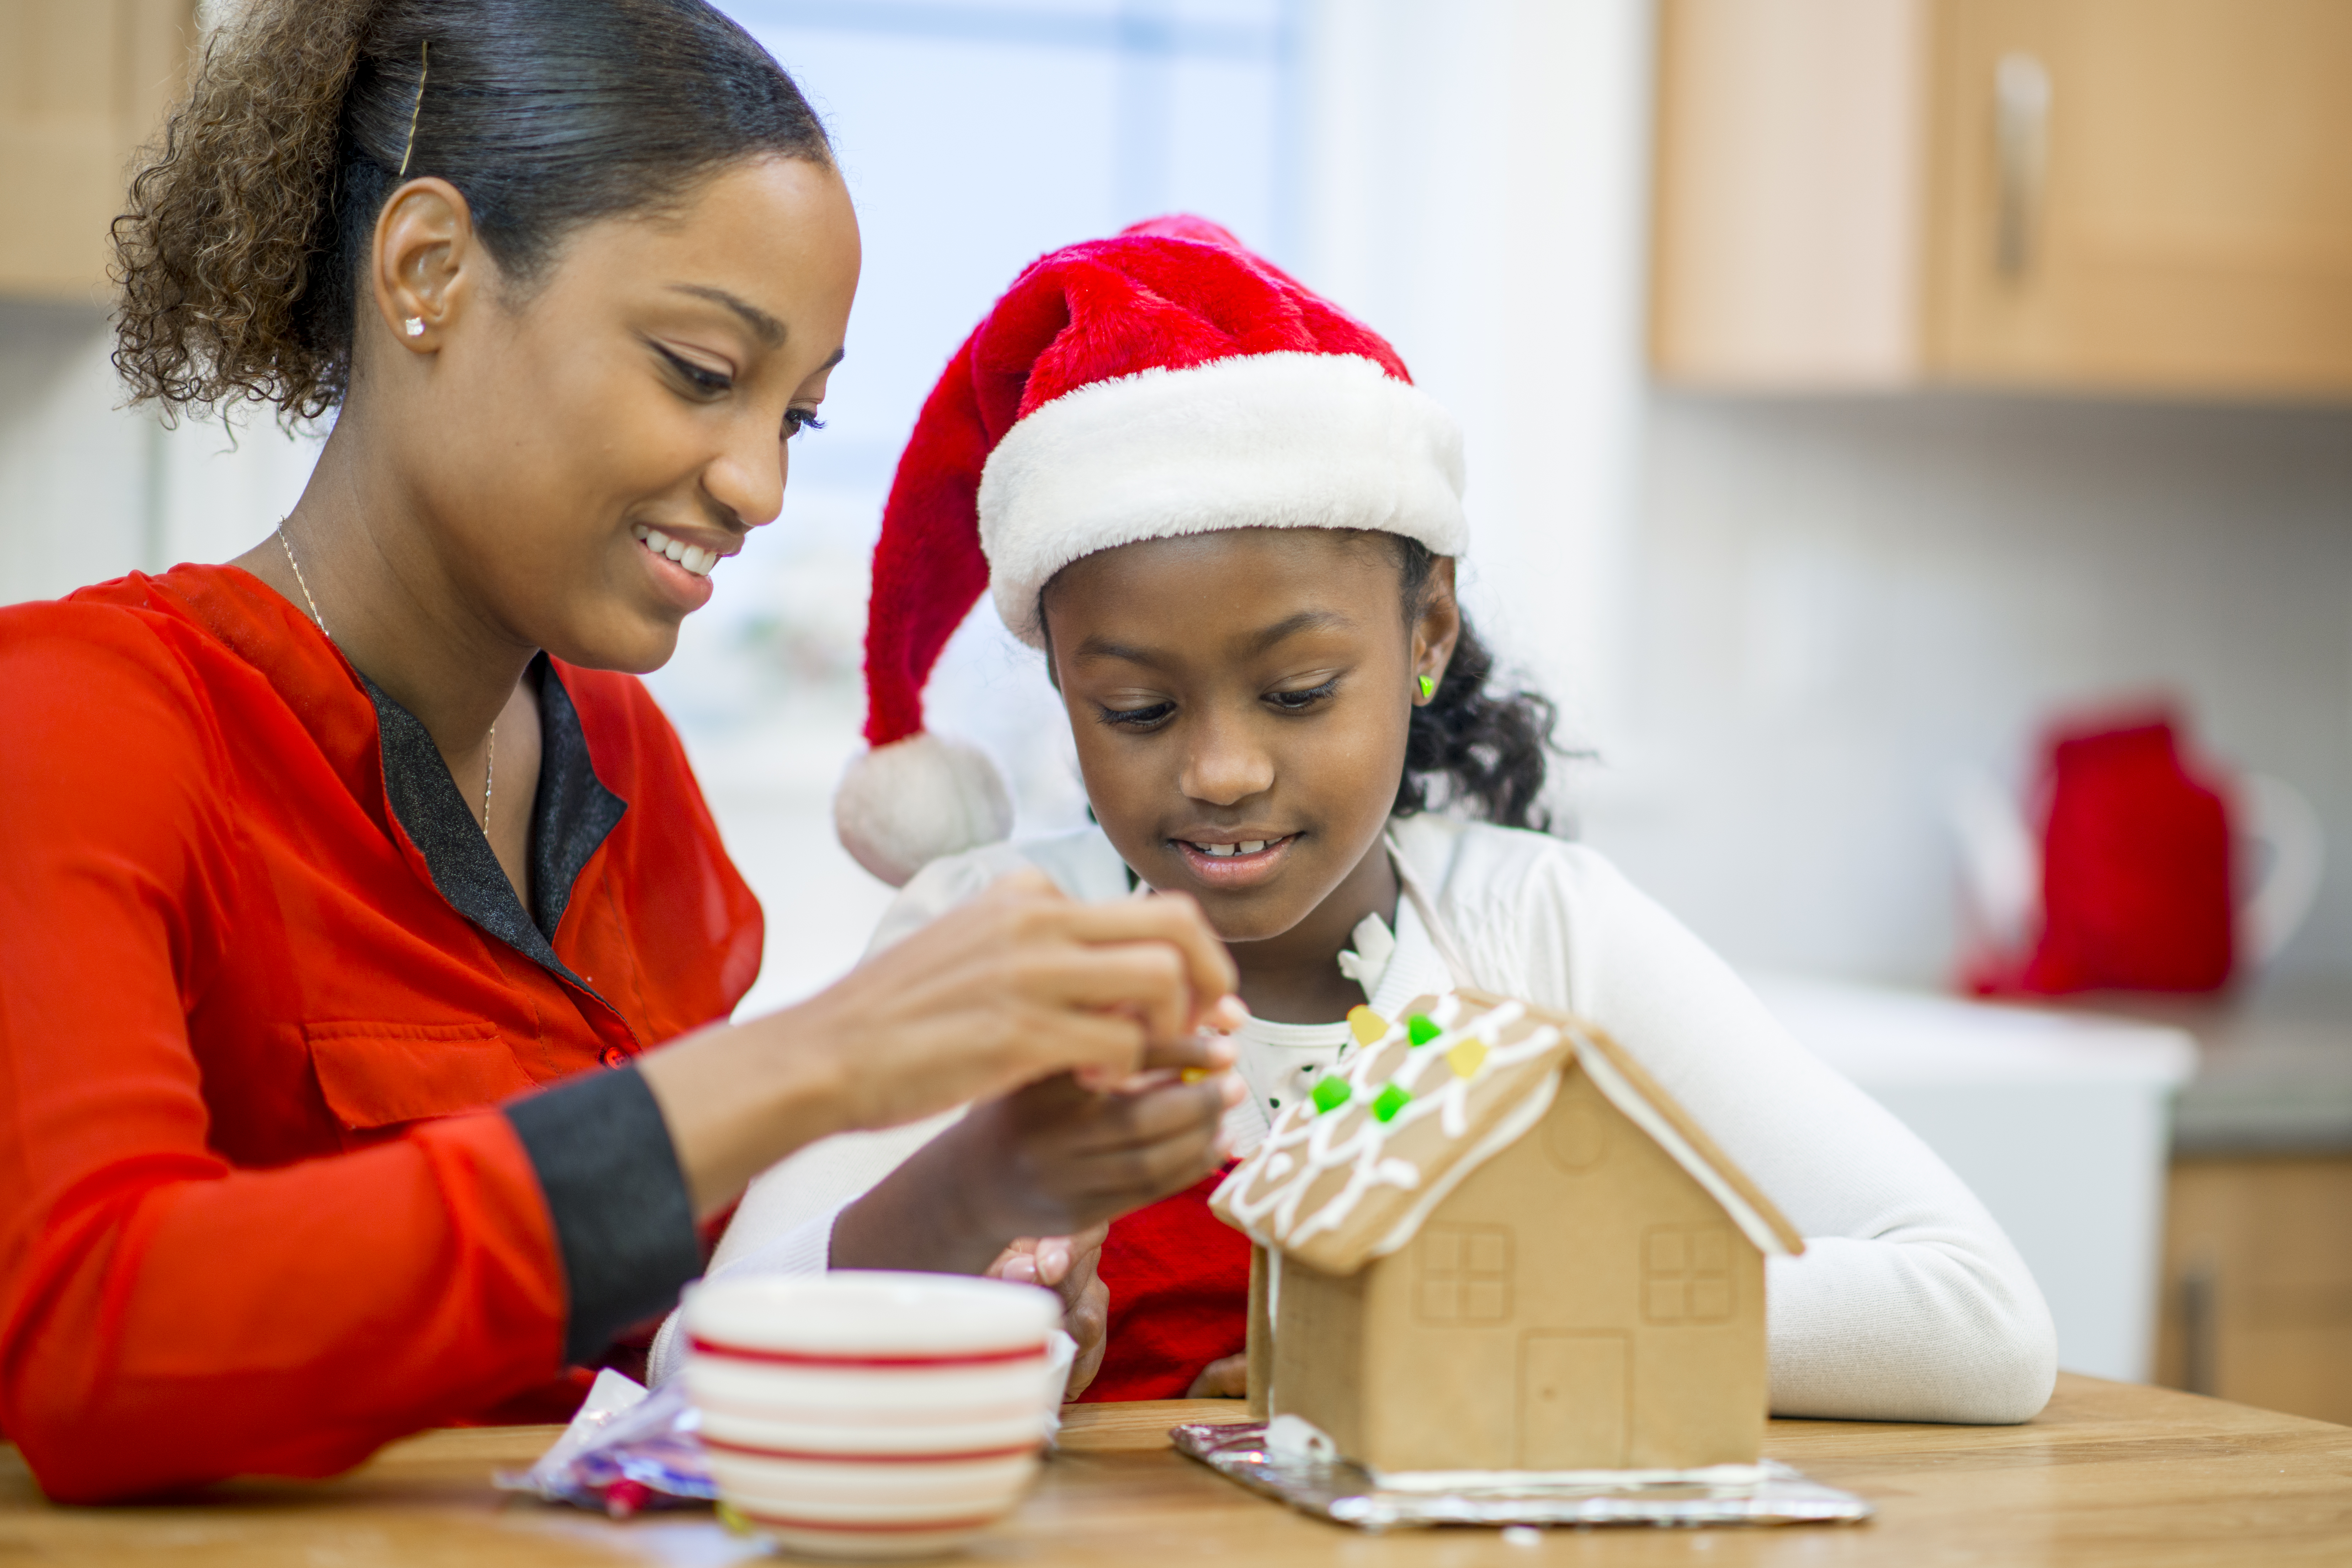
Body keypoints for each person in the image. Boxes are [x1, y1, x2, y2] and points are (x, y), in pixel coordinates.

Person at [0, 2, 1246, 1504]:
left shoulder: (624, 769)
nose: (759, 481)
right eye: (700, 370)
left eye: (798, 413)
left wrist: (983, 1193)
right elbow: (95, 1340)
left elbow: (675, 1351)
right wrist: (821, 1054)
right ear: (431, 273)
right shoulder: (82, 721)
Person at [656, 217, 2059, 1425]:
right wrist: (953, 1226)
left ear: (1427, 629)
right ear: (1062, 686)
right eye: (1137, 709)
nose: (1218, 769)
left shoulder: (1541, 935)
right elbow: (689, 1373)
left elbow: (1978, 1312)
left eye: (1298, 690)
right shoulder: (979, 936)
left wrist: (1437, 1310)